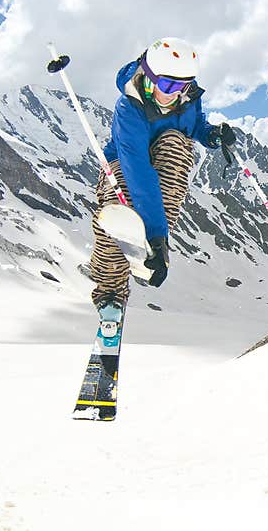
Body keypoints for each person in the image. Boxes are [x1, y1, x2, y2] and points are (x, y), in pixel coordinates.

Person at [91, 36, 236, 325]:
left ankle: (153, 242)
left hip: (167, 158)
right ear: (149, 75)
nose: (174, 94)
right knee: (118, 213)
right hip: (126, 162)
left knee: (175, 141)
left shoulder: (186, 97)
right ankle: (110, 292)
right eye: (168, 85)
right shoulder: (129, 108)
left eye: (183, 87)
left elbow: (193, 124)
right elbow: (139, 173)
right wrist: (157, 236)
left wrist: (211, 135)